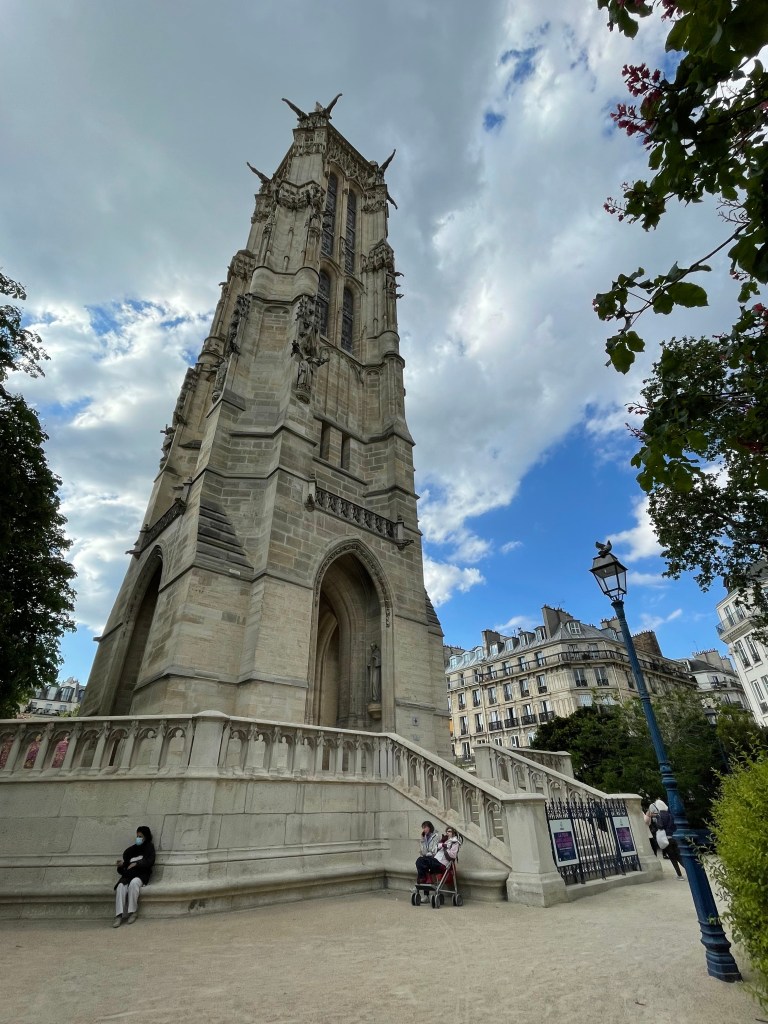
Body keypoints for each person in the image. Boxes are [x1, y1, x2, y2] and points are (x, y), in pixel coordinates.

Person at [113, 826, 155, 926]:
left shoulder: (149, 848)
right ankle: (118, 915)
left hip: (141, 875)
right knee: (120, 886)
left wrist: (137, 863)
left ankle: (132, 912)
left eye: (140, 836)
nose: (138, 838)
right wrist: (121, 866)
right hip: (128, 874)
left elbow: (150, 862)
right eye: (137, 836)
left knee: (134, 883)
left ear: (145, 837)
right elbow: (125, 867)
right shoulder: (131, 851)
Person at [645, 799, 684, 879]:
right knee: (678, 856)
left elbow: (660, 826)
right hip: (672, 837)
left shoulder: (659, 816)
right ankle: (689, 871)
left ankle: (679, 875)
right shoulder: (670, 815)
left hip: (665, 839)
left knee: (672, 858)